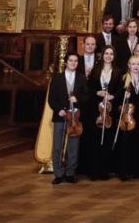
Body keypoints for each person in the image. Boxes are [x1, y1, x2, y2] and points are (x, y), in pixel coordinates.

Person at [50, 53, 88, 185]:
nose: (73, 63)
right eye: (70, 60)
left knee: (73, 146)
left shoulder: (82, 78)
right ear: (66, 62)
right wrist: (58, 110)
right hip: (60, 115)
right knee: (58, 146)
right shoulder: (57, 78)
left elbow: (86, 96)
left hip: (75, 117)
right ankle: (58, 173)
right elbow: (51, 99)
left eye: (76, 61)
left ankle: (70, 173)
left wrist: (77, 99)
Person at [86, 46, 120, 180]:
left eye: (111, 54)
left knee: (108, 140)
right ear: (102, 55)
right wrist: (97, 93)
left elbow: (120, 90)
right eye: (106, 53)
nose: (109, 56)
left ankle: (105, 170)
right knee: (95, 140)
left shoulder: (118, 71)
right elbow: (89, 88)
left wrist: (113, 96)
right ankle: (94, 170)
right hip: (97, 109)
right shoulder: (96, 70)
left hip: (110, 110)